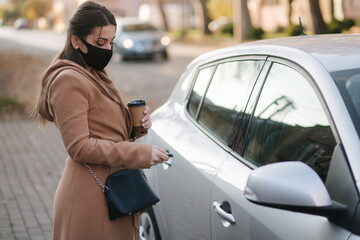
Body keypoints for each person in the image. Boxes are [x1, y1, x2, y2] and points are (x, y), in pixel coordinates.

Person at [33, 1, 169, 239]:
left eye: (110, 42)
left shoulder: (92, 72)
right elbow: (79, 147)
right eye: (99, 43)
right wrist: (140, 153)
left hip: (112, 191)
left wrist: (135, 127)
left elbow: (103, 128)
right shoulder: (69, 80)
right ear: (76, 42)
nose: (107, 49)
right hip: (91, 198)